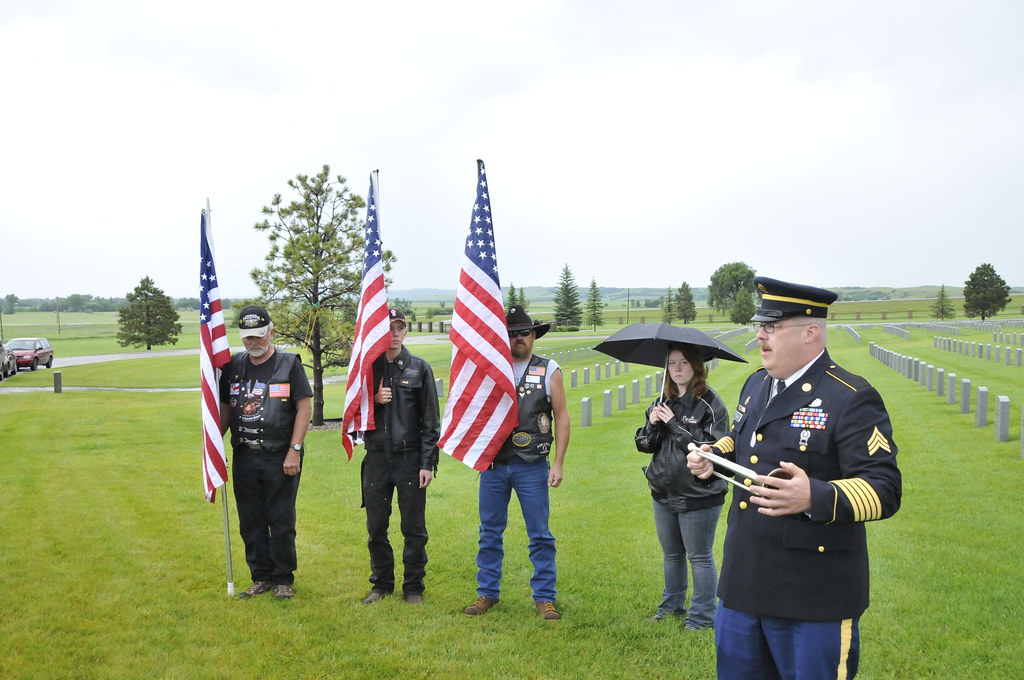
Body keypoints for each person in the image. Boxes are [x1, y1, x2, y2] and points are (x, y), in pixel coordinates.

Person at [687, 277, 902, 680]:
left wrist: (814, 496)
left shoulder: (850, 396)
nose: (760, 335)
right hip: (744, 580)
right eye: (760, 326)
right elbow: (744, 440)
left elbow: (885, 487)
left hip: (813, 594)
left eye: (772, 327)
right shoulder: (757, 383)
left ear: (810, 332)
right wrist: (713, 456)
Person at [464, 307, 570, 620]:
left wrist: (559, 463)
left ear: (534, 335)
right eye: (512, 333)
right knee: (490, 532)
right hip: (494, 464)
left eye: (524, 332)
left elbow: (562, 417)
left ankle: (544, 597)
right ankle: (487, 594)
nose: (518, 338)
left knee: (540, 534)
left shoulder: (549, 369)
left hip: (533, 464)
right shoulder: (491, 367)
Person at [220, 305, 312, 600]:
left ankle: (284, 578)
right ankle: (261, 576)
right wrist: (212, 442)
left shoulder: (288, 364)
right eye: (248, 338)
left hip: (280, 455)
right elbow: (224, 407)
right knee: (251, 520)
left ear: (271, 332)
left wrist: (294, 450)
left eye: (259, 336)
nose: (254, 343)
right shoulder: (233, 366)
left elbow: (304, 407)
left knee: (281, 519)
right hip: (245, 454)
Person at [634, 343, 729, 630]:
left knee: (699, 556)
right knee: (672, 555)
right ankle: (671, 608)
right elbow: (644, 446)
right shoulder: (662, 401)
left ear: (696, 367)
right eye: (672, 363)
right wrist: (652, 424)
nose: (677, 369)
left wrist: (674, 424)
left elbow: (709, 449)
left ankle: (702, 618)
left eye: (683, 363)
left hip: (699, 493)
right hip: (663, 491)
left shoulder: (711, 404)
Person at [360, 308, 440, 605]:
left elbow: (430, 421)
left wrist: (427, 463)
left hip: (409, 458)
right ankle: (381, 584)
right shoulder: (369, 369)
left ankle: (413, 587)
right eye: (388, 328)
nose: (393, 334)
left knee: (414, 528)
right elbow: (355, 413)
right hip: (377, 458)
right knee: (376, 526)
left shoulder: (418, 368)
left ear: (406, 331)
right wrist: (375, 401)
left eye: (399, 328)